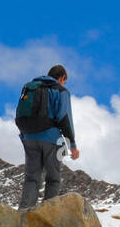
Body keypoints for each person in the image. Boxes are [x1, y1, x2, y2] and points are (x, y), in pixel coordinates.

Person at [16, 65, 80, 210]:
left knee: (32, 178)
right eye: (65, 81)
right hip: (52, 139)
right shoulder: (60, 90)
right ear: (62, 77)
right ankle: (48, 213)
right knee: (53, 178)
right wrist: (73, 146)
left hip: (29, 137)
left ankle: (24, 214)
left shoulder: (30, 87)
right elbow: (65, 118)